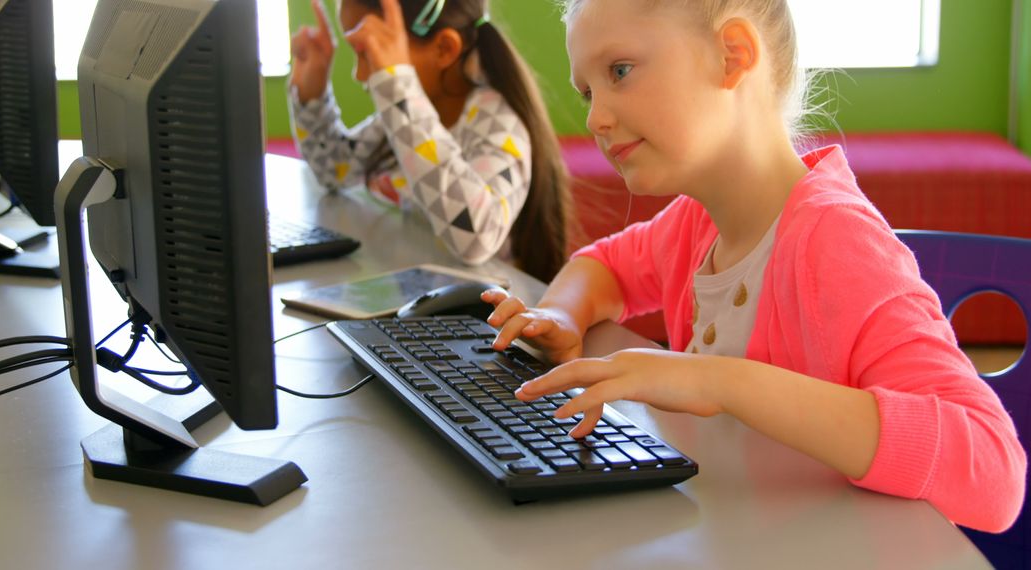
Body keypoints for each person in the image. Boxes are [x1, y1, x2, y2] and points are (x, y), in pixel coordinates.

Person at [482, 0, 1026, 533]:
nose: (596, 118)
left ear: (733, 55)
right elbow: (605, 267)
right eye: (587, 92)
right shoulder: (699, 221)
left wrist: (723, 383)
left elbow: (995, 472)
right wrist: (557, 315)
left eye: (619, 71)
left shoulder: (834, 242)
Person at [289, 0, 571, 282]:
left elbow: (476, 235)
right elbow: (337, 170)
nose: (360, 75)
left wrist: (396, 87)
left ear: (444, 49)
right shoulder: (413, 111)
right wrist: (311, 93)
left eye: (369, 53)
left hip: (486, 315)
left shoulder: (496, 121)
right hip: (427, 305)